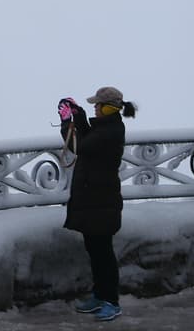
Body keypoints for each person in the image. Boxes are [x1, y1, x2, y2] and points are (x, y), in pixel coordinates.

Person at [58, 86, 138, 322]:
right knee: (95, 251)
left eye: (96, 105)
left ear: (108, 107)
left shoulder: (110, 132)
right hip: (95, 201)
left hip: (101, 202)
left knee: (103, 254)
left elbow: (80, 146)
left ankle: (111, 302)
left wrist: (66, 123)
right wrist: (79, 115)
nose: (95, 107)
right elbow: (88, 137)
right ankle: (99, 296)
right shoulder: (107, 126)